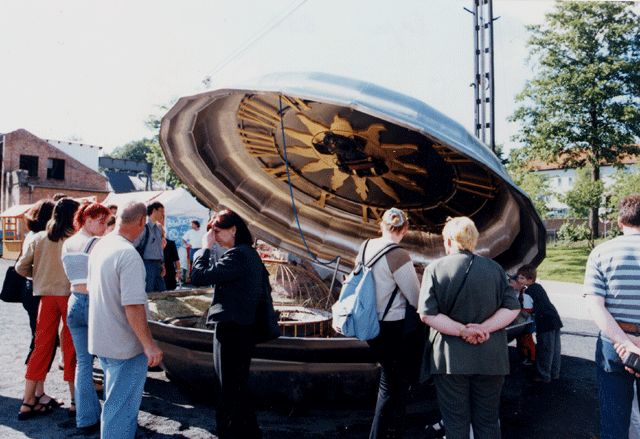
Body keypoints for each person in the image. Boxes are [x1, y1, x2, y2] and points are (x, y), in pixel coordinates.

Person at [418, 216, 520, 439]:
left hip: (449, 360)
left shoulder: (434, 269)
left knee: (455, 424)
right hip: (491, 358)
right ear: (473, 241)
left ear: (448, 241)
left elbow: (427, 314)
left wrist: (463, 331)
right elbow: (512, 309)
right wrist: (484, 328)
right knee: (488, 422)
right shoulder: (494, 269)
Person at [87, 201, 163, 439]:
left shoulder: (101, 246)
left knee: (114, 407)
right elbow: (133, 306)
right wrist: (149, 344)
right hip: (124, 346)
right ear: (142, 221)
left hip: (104, 338)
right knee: (120, 411)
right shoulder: (128, 255)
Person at [191, 209, 267, 439]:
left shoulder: (239, 255)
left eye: (217, 230)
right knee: (236, 388)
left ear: (233, 230)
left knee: (229, 390)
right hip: (241, 328)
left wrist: (204, 247)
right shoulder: (246, 254)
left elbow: (198, 276)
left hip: (233, 330)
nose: (213, 236)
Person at [353, 208, 420, 439]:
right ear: (405, 229)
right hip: (393, 327)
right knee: (391, 386)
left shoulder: (365, 247)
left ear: (381, 226)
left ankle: (392, 432)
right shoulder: (399, 255)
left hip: (370, 323)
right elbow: (414, 296)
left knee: (392, 383)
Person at [15, 198, 81, 420]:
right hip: (70, 296)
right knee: (71, 347)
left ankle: (27, 400)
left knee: (41, 345)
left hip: (46, 297)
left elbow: (21, 267)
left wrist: (40, 277)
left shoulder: (40, 238)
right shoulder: (76, 239)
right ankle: (75, 401)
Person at [584, 194, 640, 439]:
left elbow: (596, 306)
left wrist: (626, 343)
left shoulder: (601, 252)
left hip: (614, 346)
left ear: (620, 222)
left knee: (613, 423)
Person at [62, 202, 110, 433]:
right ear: (87, 219)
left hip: (73, 301)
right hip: (94, 303)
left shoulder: (68, 243)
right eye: (100, 221)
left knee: (83, 364)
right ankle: (112, 418)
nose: (104, 226)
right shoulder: (98, 244)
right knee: (110, 361)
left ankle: (86, 418)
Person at [19, 199, 58, 409]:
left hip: (30, 290)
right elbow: (21, 266)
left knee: (40, 340)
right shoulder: (43, 237)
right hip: (38, 291)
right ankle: (34, 393)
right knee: (43, 342)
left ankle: (36, 391)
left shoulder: (32, 235)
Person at [516, 264, 562, 382]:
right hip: (554, 318)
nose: (519, 280)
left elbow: (528, 310)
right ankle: (554, 373)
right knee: (555, 349)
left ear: (530, 279)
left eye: (521, 278)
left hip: (544, 322)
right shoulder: (538, 287)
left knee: (545, 349)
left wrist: (516, 310)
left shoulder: (527, 292)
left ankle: (543, 375)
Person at [134, 201, 166, 292]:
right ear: (154, 211)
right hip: (147, 264)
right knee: (149, 292)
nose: (163, 214)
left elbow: (160, 248)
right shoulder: (143, 227)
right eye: (161, 211)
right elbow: (134, 245)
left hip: (158, 264)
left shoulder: (159, 228)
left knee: (162, 291)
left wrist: (162, 263)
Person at [509, 274, 536, 366]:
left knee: (526, 340)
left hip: (525, 322)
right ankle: (524, 357)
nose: (509, 285)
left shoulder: (525, 295)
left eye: (511, 282)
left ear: (519, 284)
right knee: (521, 341)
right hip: (519, 321)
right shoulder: (514, 293)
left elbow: (528, 310)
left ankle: (531, 358)